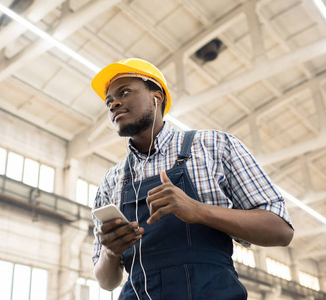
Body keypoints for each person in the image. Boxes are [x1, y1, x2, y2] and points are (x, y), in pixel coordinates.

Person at [90, 58, 294, 299]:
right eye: (108, 101)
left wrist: (198, 210)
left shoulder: (214, 146)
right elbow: (106, 282)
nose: (114, 104)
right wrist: (111, 253)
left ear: (157, 96)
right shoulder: (111, 181)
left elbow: (281, 230)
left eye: (124, 92)